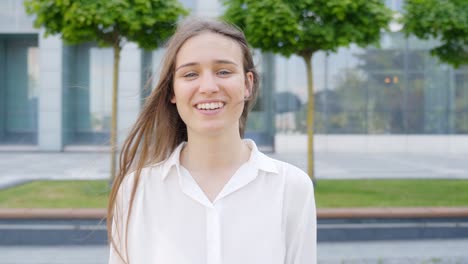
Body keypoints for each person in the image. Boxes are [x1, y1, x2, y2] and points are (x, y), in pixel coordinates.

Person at [107, 18, 316, 264]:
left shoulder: (291, 187)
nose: (208, 87)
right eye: (190, 74)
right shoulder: (136, 190)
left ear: (248, 84)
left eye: (224, 72)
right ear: (172, 91)